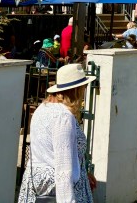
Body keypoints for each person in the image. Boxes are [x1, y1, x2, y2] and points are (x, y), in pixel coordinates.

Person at [17, 63, 97, 202]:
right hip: (56, 189)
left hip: (35, 184)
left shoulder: (42, 109)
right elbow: (63, 169)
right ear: (77, 89)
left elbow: (48, 153)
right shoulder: (63, 116)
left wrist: (82, 171)